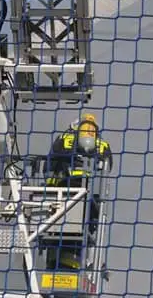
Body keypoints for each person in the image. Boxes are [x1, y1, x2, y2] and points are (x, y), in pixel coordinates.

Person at [42, 113, 112, 270]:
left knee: (55, 230)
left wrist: (49, 187)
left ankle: (56, 259)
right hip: (88, 195)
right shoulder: (103, 144)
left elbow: (50, 163)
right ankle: (89, 262)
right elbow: (108, 168)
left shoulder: (64, 138)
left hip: (64, 190)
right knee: (88, 227)